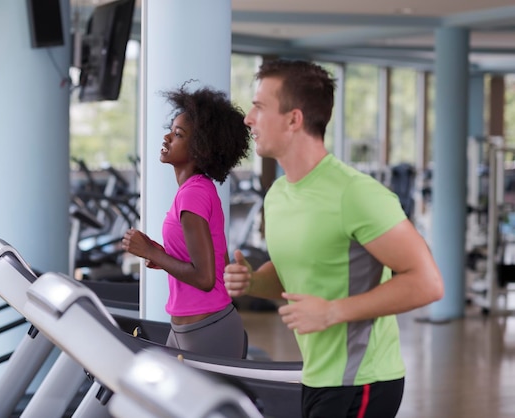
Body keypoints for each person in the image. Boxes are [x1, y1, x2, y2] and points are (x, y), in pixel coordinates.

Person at [223, 59, 444, 418]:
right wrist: (253, 280)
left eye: (259, 107)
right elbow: (296, 275)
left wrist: (332, 312)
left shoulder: (355, 194)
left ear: (294, 119)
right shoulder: (278, 194)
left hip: (363, 381)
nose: (248, 118)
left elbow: (428, 282)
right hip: (315, 374)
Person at [121, 85, 251, 358]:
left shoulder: (193, 193)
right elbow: (218, 263)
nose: (167, 137)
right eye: (171, 130)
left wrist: (151, 252)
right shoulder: (194, 190)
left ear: (199, 148)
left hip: (207, 329)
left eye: (178, 134)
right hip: (187, 329)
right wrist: (165, 256)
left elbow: (204, 278)